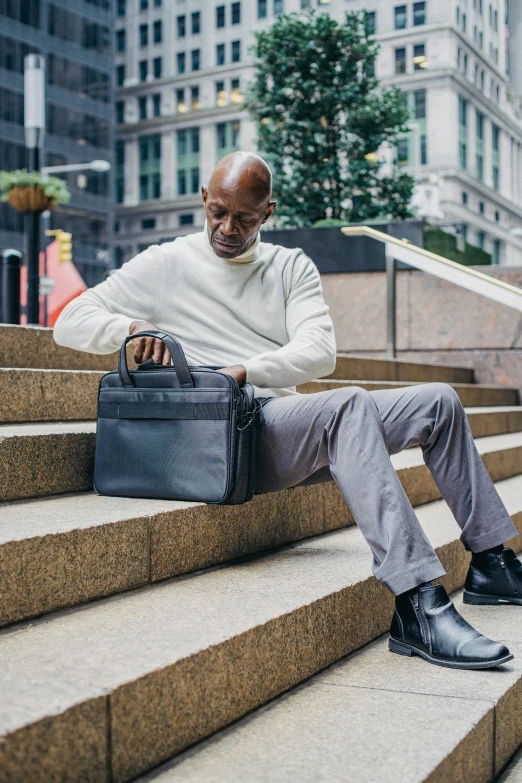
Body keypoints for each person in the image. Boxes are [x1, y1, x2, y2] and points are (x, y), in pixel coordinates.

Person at [54, 151, 522, 670]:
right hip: (226, 439)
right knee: (345, 407)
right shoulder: (166, 263)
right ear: (204, 202)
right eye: (218, 213)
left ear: (268, 214)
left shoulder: (290, 266)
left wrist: (246, 370)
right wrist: (132, 330)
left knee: (438, 400)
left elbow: (319, 351)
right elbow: (70, 319)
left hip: (282, 421)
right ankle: (416, 601)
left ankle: (492, 563)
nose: (228, 228)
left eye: (245, 218)